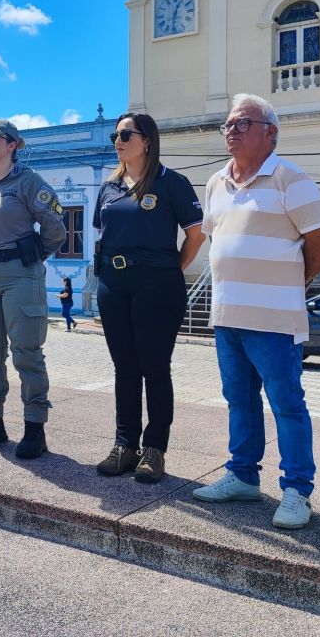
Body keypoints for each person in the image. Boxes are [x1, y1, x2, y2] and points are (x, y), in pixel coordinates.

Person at [193, 93, 320, 529]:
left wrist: (297, 280)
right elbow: (216, 241)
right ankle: (242, 476)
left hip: (274, 319)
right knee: (239, 400)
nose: (232, 131)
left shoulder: (289, 177)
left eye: (243, 124)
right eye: (229, 125)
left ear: (269, 132)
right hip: (227, 317)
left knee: (286, 403)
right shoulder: (216, 182)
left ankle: (297, 490)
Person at [93, 112, 205, 483]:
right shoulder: (109, 186)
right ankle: (125, 445)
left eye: (126, 134)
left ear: (148, 140)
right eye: (115, 134)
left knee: (154, 367)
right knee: (124, 367)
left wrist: (170, 269)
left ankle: (154, 448)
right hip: (114, 283)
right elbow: (103, 236)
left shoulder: (172, 182)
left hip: (157, 284)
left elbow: (195, 236)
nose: (118, 140)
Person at [0, 118, 67, 460]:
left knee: (26, 350)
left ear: (12, 145)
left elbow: (56, 228)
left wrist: (32, 256)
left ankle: (35, 428)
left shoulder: (29, 182)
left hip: (21, 275)